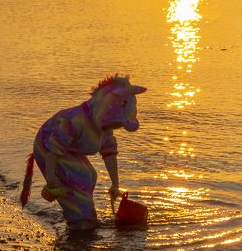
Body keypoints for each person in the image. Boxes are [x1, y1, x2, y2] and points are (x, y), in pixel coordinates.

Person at [20, 74, 147, 230]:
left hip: (70, 149)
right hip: (47, 146)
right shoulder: (75, 120)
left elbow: (109, 153)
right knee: (80, 176)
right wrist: (51, 176)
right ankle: (78, 221)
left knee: (91, 175)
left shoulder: (104, 127)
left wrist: (115, 185)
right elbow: (54, 150)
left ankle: (84, 215)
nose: (113, 129)